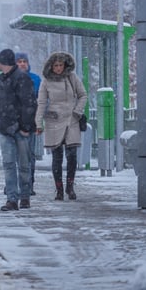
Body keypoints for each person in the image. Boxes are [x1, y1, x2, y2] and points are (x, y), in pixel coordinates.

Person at [0, 49, 37, 211]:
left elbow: (29, 104)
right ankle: (12, 199)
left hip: (20, 130)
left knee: (24, 164)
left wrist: (25, 127)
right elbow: (2, 106)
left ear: (3, 63)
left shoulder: (22, 79)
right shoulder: (1, 81)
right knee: (9, 164)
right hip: (5, 129)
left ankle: (24, 196)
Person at [35, 51, 87, 201]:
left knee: (72, 156)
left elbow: (83, 95)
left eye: (61, 65)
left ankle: (70, 187)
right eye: (55, 65)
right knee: (57, 158)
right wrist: (38, 123)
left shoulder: (72, 77)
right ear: (51, 66)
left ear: (65, 65)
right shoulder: (46, 82)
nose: (58, 68)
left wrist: (77, 111)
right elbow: (42, 103)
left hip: (72, 120)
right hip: (54, 121)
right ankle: (59, 189)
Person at [16, 52, 41, 194]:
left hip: (30, 123)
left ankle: (29, 184)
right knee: (14, 156)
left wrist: (39, 120)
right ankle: (13, 183)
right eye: (19, 61)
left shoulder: (35, 79)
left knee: (29, 155)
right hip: (12, 123)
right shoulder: (9, 79)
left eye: (24, 61)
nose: (22, 64)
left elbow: (42, 100)